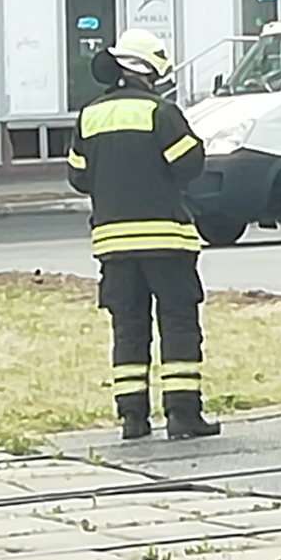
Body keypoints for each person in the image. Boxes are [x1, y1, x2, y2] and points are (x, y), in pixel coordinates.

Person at [67, 29, 217, 442]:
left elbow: (78, 177)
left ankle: (132, 419)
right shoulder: (161, 112)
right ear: (151, 70)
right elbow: (189, 164)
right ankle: (182, 415)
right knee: (178, 323)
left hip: (113, 247)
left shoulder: (90, 115)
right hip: (166, 241)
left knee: (129, 328)